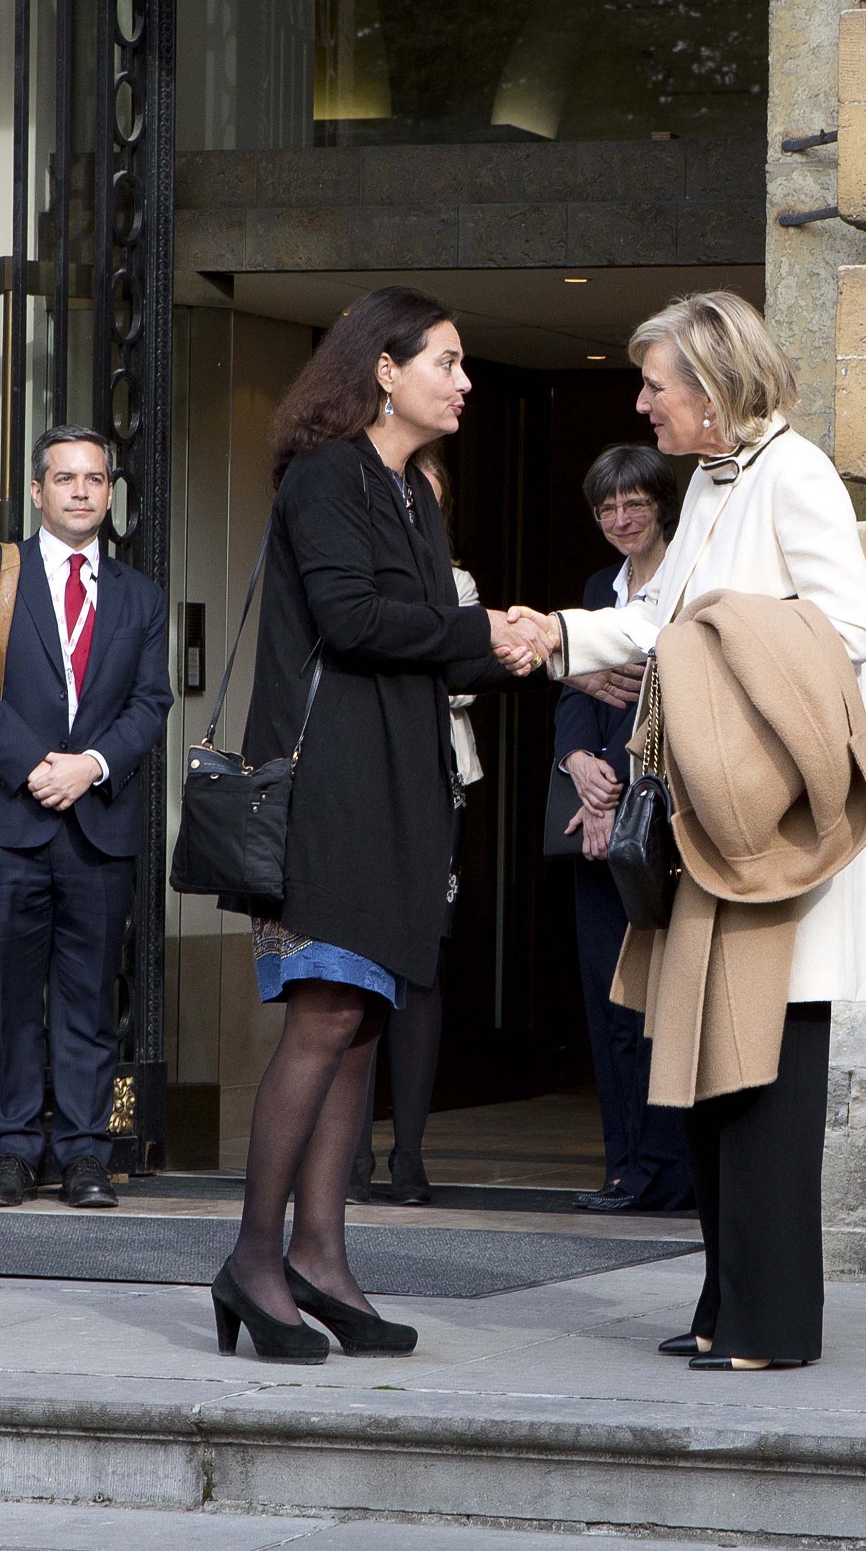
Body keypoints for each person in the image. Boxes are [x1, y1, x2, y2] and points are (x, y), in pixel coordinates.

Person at [506, 292, 866, 1370]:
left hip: (777, 827)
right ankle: (728, 1299)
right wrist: (555, 632)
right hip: (709, 829)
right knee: (715, 1073)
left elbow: (849, 622)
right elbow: (651, 619)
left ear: (713, 388)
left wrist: (704, 644)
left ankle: (774, 1322)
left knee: (768, 1081)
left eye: (655, 385)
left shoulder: (796, 471)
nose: (642, 403)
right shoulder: (716, 483)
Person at [214, 286, 543, 1364]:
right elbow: (355, 621)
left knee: (358, 1021)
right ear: (383, 371)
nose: (461, 380)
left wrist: (508, 645)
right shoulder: (326, 476)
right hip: (333, 792)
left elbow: (423, 640)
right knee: (321, 1016)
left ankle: (320, 1254)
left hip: (401, 784)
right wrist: (474, 629)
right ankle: (253, 1259)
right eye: (443, 361)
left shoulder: (410, 490)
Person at [0, 425, 175, 1211]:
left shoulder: (140, 596)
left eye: (96, 479)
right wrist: (36, 766)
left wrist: (93, 766)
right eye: (65, 478)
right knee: (9, 998)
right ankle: (10, 1154)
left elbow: (152, 702)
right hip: (13, 823)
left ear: (111, 493)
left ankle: (84, 1154)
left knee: (87, 999)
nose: (81, 491)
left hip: (101, 825)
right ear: (38, 491)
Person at [554, 443, 693, 1214]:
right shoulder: (594, 589)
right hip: (596, 822)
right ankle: (624, 1167)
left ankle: (671, 1171)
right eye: (606, 508)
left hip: (663, 825)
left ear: (660, 503)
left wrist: (624, 791)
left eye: (632, 503)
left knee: (662, 1006)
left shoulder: (687, 583)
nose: (620, 519)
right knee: (608, 1005)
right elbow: (577, 689)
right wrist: (577, 761)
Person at [348, 445, 475, 1206]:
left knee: (422, 965)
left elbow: (463, 680)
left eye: (422, 496)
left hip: (441, 784)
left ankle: (412, 1155)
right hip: (365, 785)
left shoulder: (458, 583)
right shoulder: (354, 580)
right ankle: (351, 1154)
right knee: (357, 967)